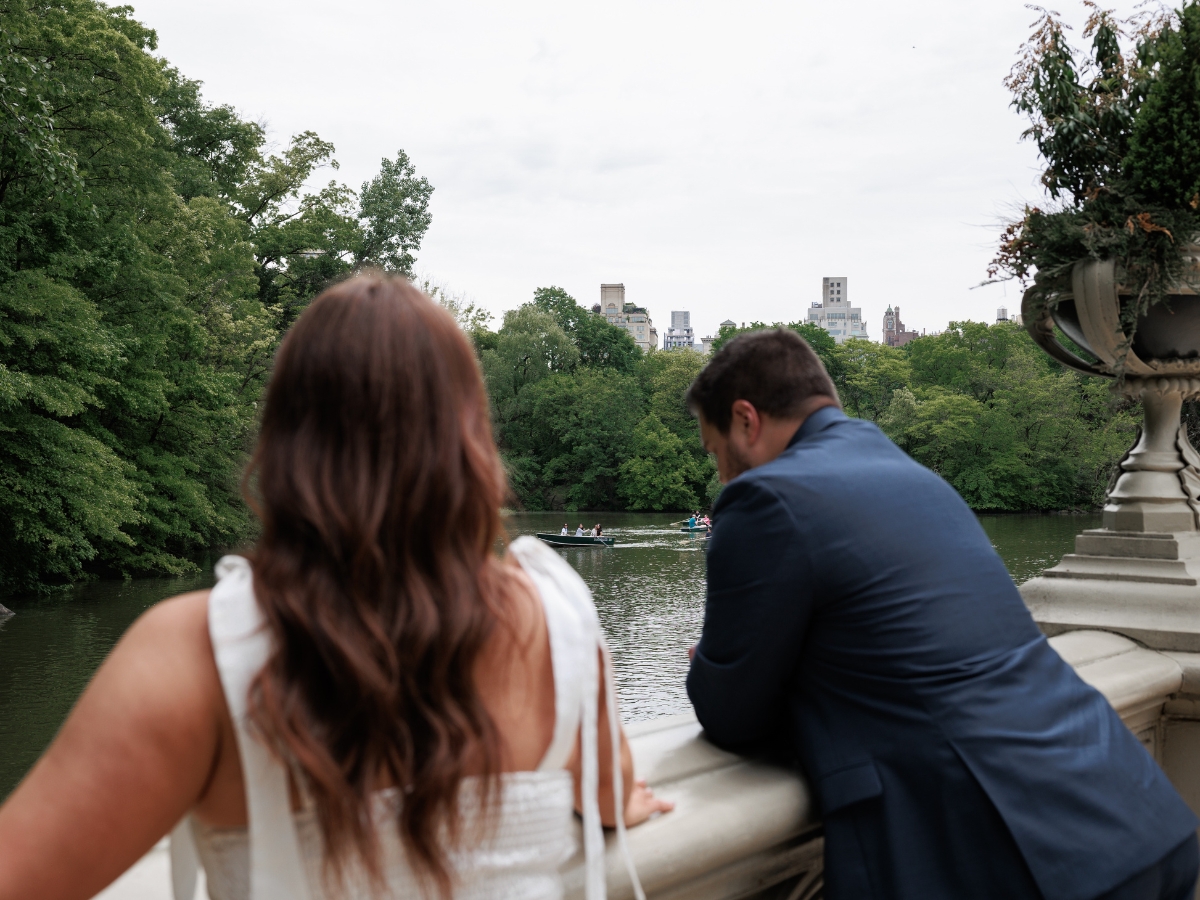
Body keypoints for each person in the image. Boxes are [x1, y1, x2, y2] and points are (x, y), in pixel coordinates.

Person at [0, 275, 671, 900]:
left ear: (287, 442)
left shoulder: (195, 654)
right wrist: (630, 800)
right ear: (468, 442)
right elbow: (613, 795)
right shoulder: (558, 626)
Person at [684, 328, 1198, 900]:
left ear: (746, 420)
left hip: (1023, 862)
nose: (723, 476)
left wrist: (717, 660)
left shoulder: (765, 499)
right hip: (1135, 811)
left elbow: (731, 713)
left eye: (716, 452)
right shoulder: (918, 479)